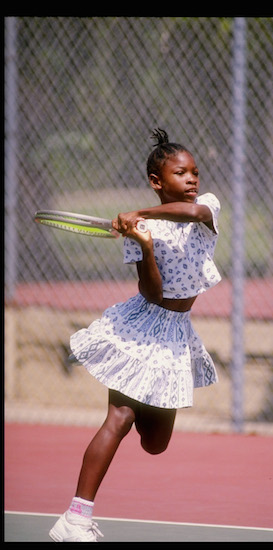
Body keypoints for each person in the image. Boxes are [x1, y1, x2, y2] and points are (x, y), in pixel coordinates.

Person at [49, 128, 221, 542]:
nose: (193, 179)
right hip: (142, 327)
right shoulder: (141, 230)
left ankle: (140, 412)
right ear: (157, 181)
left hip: (177, 334)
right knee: (120, 417)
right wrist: (143, 243)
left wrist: (138, 213)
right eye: (182, 173)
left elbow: (193, 214)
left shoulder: (207, 208)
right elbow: (152, 292)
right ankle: (74, 518)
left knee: (155, 443)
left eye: (195, 172)